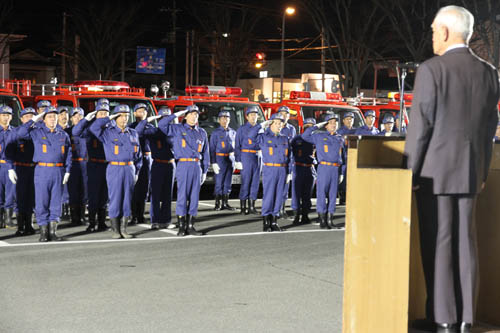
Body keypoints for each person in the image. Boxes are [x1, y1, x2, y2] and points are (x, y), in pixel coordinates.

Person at [404, 6, 500, 333]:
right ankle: (464, 320)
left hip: (434, 174)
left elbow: (421, 128)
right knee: (465, 245)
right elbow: (490, 127)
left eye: (433, 31)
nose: (432, 36)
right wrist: (482, 170)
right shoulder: (489, 72)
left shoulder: (432, 70)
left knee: (438, 244)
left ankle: (442, 318)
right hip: (471, 172)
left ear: (445, 32)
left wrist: (410, 173)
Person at [17, 106, 72, 242]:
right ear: (44, 119)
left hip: (58, 171)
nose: (53, 119)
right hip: (42, 170)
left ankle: (52, 232)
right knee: (42, 201)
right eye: (49, 116)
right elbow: (21, 133)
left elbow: (69, 153)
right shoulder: (37, 132)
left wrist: (68, 170)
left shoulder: (63, 135)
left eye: (54, 116)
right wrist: (34, 119)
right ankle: (43, 232)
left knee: (55, 202)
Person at [89, 104, 143, 239]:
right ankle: (115, 230)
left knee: (127, 199)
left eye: (126, 115)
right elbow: (93, 127)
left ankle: (124, 229)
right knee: (115, 198)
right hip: (114, 168)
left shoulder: (133, 133)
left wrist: (136, 172)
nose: (124, 118)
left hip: (129, 168)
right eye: (121, 116)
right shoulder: (108, 132)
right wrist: (108, 118)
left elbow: (139, 156)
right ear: (115, 117)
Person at [158, 105, 209, 236]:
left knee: (194, 196)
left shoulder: (201, 132)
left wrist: (204, 171)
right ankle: (181, 226)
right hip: (183, 165)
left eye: (196, 114)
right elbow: (162, 125)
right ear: (185, 116)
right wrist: (176, 115)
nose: (194, 117)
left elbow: (206, 153)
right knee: (182, 196)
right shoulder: (177, 129)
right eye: (191, 114)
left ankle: (191, 225)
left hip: (196, 166)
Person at [247, 113, 291, 232]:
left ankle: (274, 221)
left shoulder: (284, 138)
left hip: (282, 169)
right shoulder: (264, 136)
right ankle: (266, 222)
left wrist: (289, 172)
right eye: (276, 123)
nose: (278, 125)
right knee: (269, 195)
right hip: (270, 169)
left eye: (280, 123)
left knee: (279, 196)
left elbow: (290, 156)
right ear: (270, 124)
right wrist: (261, 125)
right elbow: (250, 136)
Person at [134, 106, 176, 230]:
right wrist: (147, 120)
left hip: (171, 164)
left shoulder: (175, 131)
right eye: (162, 118)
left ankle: (166, 220)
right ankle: (155, 220)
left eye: (167, 118)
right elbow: (138, 131)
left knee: (168, 194)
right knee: (156, 194)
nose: (165, 120)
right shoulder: (153, 131)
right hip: (158, 164)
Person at [302, 113, 345, 229]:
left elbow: (343, 157)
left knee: (332, 195)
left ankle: (330, 219)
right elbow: (305, 136)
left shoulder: (340, 138)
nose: (333, 125)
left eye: (335, 123)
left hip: (335, 169)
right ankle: (322, 219)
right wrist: (316, 126)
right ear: (326, 125)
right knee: (321, 194)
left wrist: (341, 172)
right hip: (324, 168)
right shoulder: (319, 136)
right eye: (330, 123)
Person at [72, 103, 110, 232]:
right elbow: (75, 132)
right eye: (101, 113)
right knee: (93, 194)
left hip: (108, 164)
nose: (104, 116)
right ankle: (92, 222)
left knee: (104, 195)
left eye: (106, 113)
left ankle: (102, 222)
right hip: (93, 164)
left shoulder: (111, 128)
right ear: (96, 114)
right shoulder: (89, 128)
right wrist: (86, 119)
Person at [13, 107, 37, 236]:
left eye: (32, 116)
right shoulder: (17, 132)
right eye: (27, 116)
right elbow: (10, 150)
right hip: (20, 168)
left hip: (33, 168)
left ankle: (29, 224)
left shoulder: (38, 131)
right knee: (21, 197)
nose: (30, 119)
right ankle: (21, 226)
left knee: (31, 197)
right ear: (22, 119)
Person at [234, 106, 262, 215]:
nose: (253, 117)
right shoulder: (242, 129)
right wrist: (238, 160)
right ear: (247, 116)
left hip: (257, 156)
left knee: (255, 182)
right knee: (246, 182)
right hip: (246, 156)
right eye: (251, 115)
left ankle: (251, 206)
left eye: (255, 115)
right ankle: (243, 207)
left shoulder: (260, 128)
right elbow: (237, 145)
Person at [129, 103, 152, 225]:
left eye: (144, 111)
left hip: (147, 158)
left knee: (144, 187)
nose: (141, 113)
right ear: (134, 113)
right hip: (135, 160)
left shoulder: (150, 127)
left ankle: (141, 214)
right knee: (134, 188)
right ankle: (133, 215)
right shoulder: (131, 127)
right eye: (139, 111)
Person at [290, 117, 317, 225]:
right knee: (296, 193)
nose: (309, 128)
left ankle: (305, 215)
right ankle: (296, 215)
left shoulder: (316, 139)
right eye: (307, 126)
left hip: (310, 168)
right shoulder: (297, 139)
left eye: (311, 126)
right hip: (299, 167)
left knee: (307, 193)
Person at [209, 110, 236, 211]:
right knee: (219, 181)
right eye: (223, 118)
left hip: (230, 158)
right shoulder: (215, 133)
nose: (225, 120)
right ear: (219, 120)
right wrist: (214, 162)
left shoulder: (233, 132)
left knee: (228, 182)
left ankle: (225, 203)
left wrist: (237, 160)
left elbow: (236, 147)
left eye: (227, 118)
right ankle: (217, 203)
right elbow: (212, 148)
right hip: (220, 158)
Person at [65, 107, 88, 226]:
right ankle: (74, 217)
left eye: (80, 116)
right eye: (75, 116)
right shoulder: (67, 132)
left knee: (84, 190)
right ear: (71, 118)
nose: (77, 118)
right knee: (73, 191)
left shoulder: (87, 131)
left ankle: (83, 216)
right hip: (73, 163)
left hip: (85, 163)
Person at [0, 106, 18, 229]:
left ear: (11, 117)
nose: (6, 117)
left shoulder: (15, 131)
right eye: (3, 115)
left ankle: (8, 219)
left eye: (8, 115)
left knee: (11, 193)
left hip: (10, 165)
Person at [276, 106, 296, 218]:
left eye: (286, 114)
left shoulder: (291, 129)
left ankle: (282, 209)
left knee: (285, 187)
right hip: (276, 160)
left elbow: (292, 146)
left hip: (287, 159)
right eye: (282, 113)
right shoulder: (274, 126)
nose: (284, 116)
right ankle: (275, 209)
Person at [337, 111, 356, 205]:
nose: (349, 121)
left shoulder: (356, 131)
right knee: (343, 178)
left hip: (353, 158)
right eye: (347, 119)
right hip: (344, 158)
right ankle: (342, 196)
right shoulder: (340, 132)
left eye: (351, 119)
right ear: (343, 121)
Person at [57, 106, 71, 219]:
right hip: (55, 165)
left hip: (67, 163)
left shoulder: (70, 131)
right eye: (61, 114)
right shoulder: (54, 131)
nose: (64, 116)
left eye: (66, 114)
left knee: (68, 188)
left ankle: (67, 210)